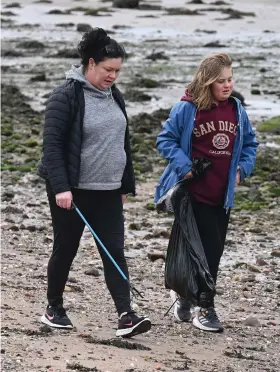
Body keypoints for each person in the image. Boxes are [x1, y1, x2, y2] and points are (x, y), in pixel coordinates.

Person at [37, 28, 151, 338]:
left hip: (109, 191)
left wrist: (125, 185)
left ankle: (126, 315)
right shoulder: (66, 95)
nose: (113, 76)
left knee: (113, 249)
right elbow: (52, 146)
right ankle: (54, 308)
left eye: (117, 70)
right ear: (90, 63)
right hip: (72, 191)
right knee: (66, 248)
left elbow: (121, 143)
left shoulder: (115, 95)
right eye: (108, 69)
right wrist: (61, 188)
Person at [155, 53, 258, 332]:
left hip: (221, 197)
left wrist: (241, 171)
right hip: (192, 195)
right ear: (207, 82)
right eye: (220, 81)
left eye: (230, 79)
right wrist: (184, 166)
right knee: (204, 252)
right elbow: (165, 140)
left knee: (211, 250)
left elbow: (250, 145)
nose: (227, 85)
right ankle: (205, 308)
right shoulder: (187, 109)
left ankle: (185, 299)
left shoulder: (236, 110)